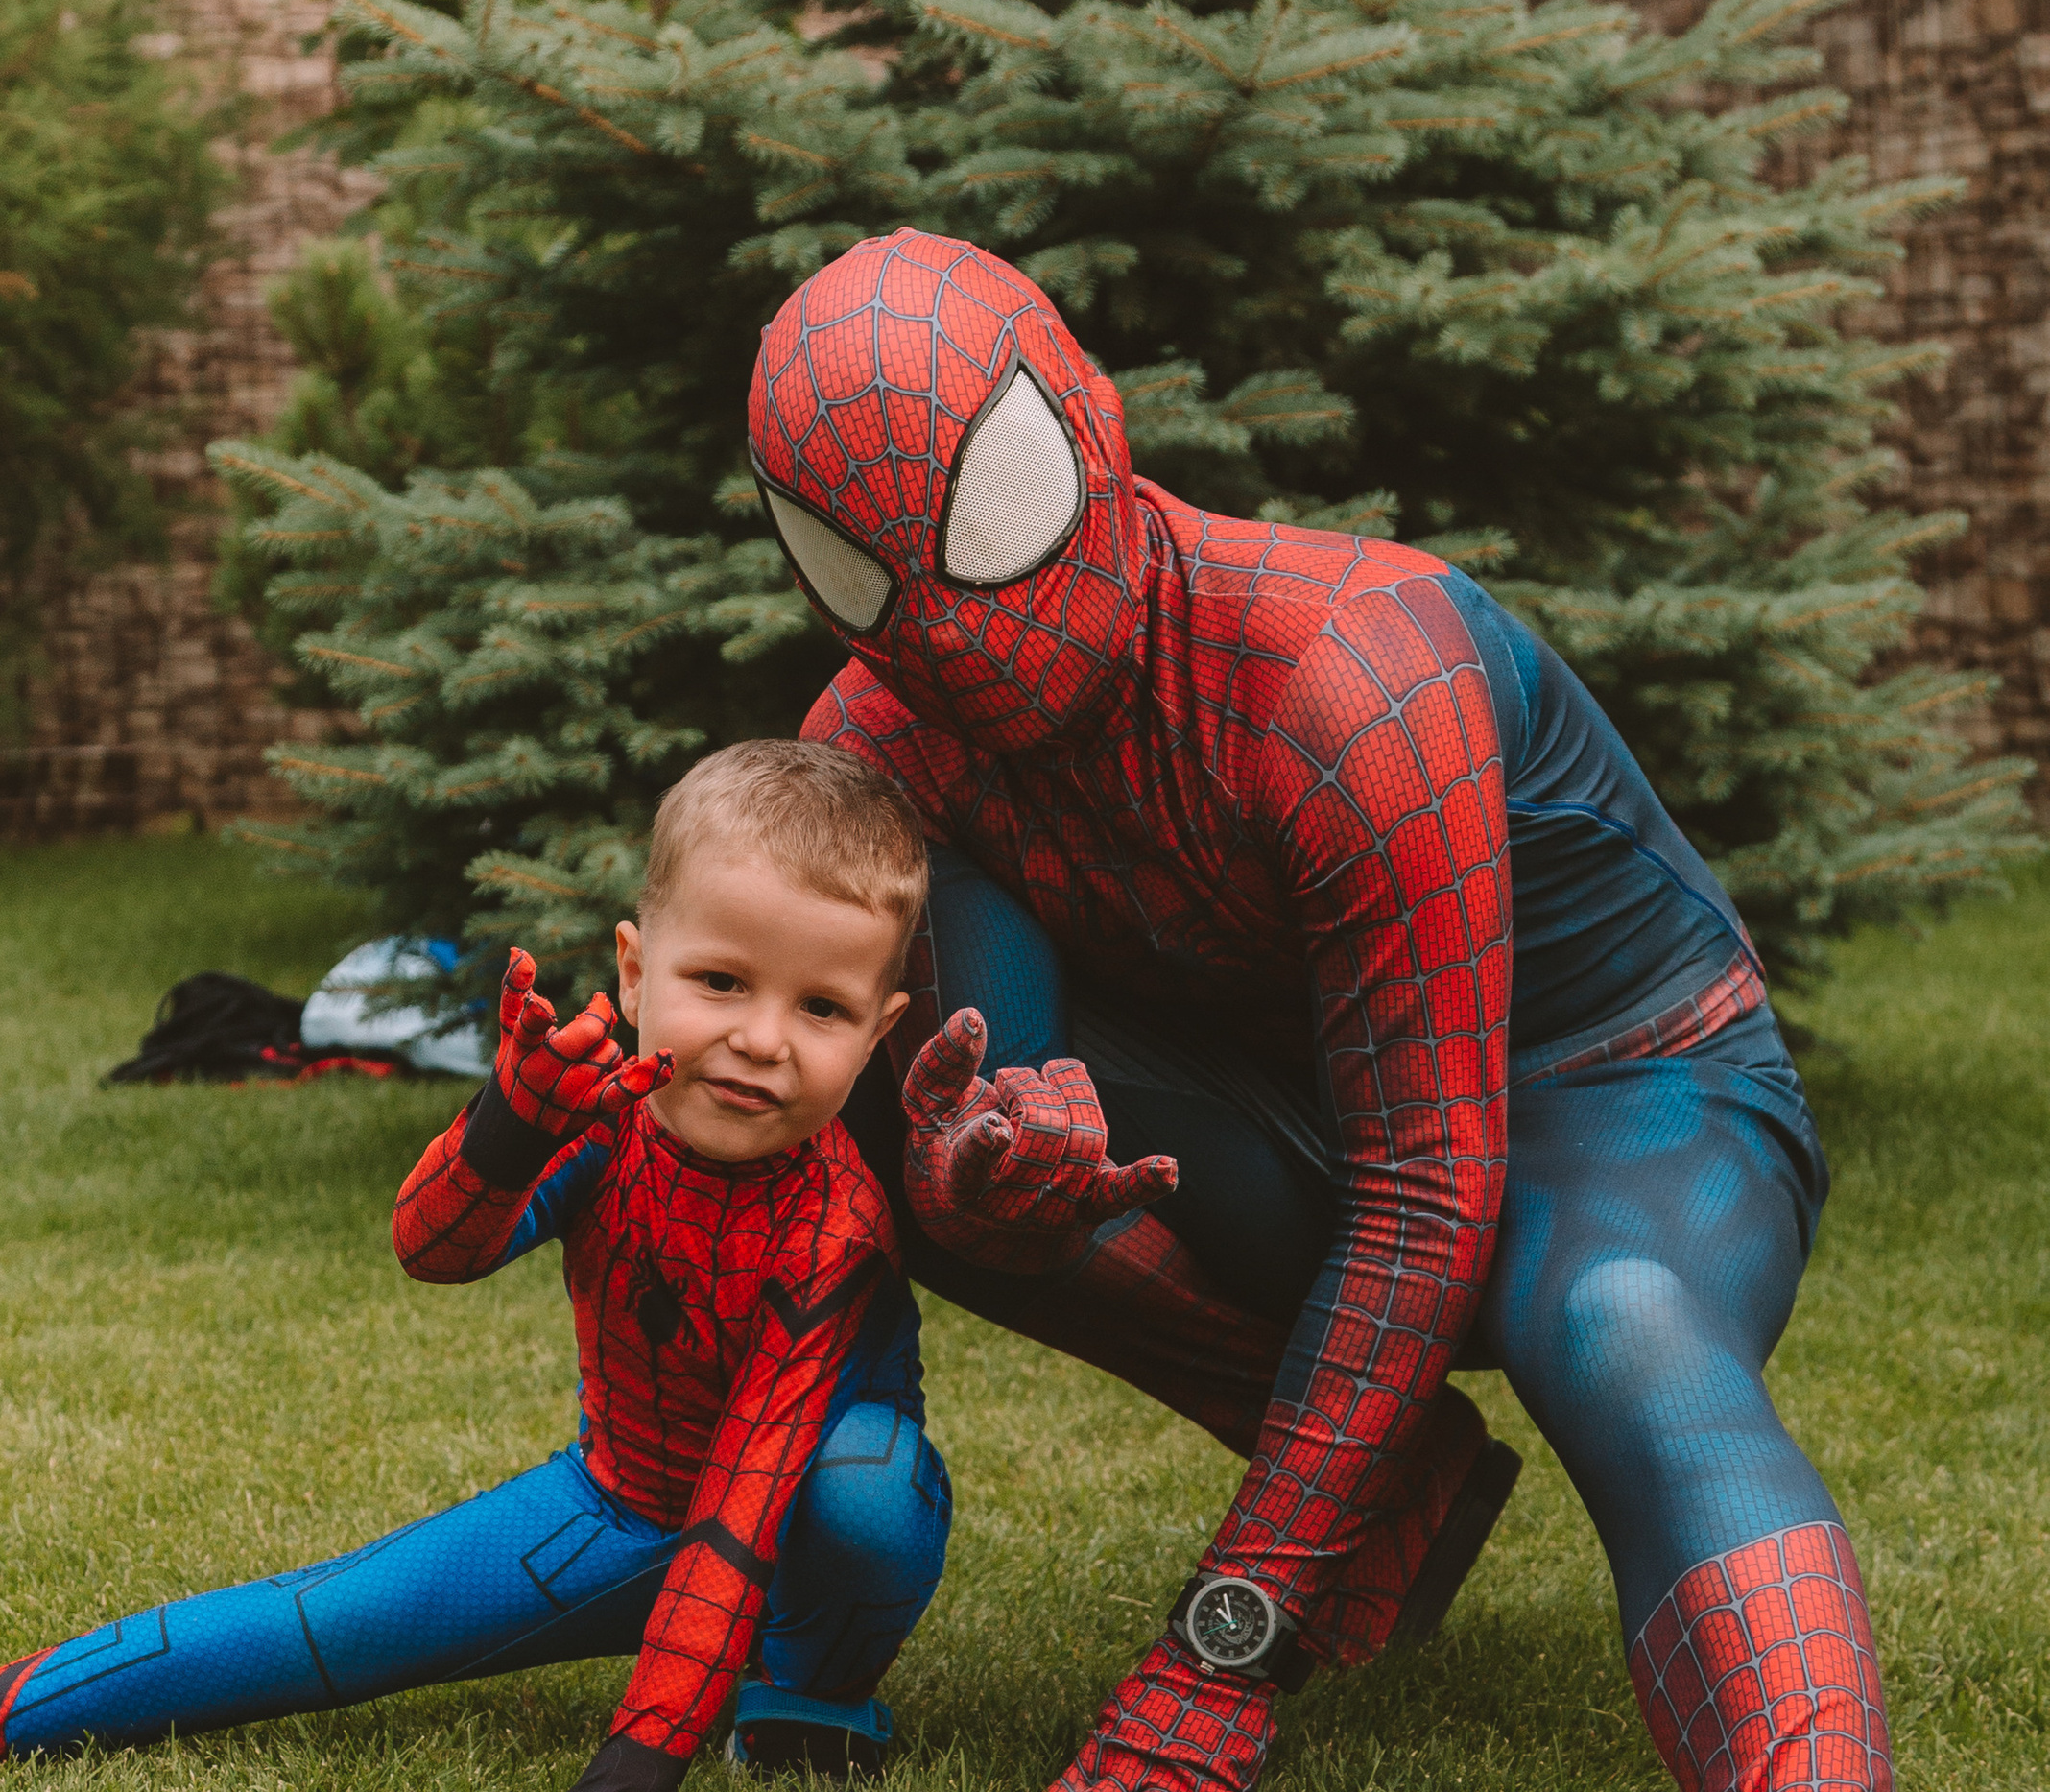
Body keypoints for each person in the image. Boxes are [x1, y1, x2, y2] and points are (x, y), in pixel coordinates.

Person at [749, 228, 1891, 1792]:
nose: (952, 623)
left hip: (1616, 1084)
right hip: (1294, 1095)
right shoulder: (884, 742)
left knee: (1620, 1326)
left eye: (990, 510)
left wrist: (1225, 1647)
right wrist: (990, 1181)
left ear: (1087, 421)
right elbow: (882, 1092)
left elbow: (1433, 1190)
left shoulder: (1344, 667)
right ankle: (1397, 1488)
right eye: (866, 567)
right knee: (875, 1090)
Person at [0, 743, 951, 1792]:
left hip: (785, 1529)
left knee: (864, 1486)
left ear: (879, 1030)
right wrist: (508, 1126)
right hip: (622, 1501)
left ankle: (811, 1686)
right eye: (720, 981)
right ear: (635, 972)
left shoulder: (832, 1224)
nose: (758, 1039)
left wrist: (631, 1765)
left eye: (821, 1009)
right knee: (327, 1621)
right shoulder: (605, 1117)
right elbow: (434, 1247)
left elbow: (740, 1523)